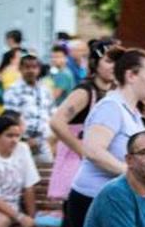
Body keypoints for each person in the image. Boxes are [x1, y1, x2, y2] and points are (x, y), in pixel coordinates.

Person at [56, 47, 145, 227]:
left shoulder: (132, 111)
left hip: (110, 201)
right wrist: (131, 174)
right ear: (131, 75)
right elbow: (93, 150)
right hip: (89, 200)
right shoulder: (111, 107)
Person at [47, 39, 118, 211]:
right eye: (109, 61)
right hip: (79, 171)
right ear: (95, 63)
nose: (114, 66)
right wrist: (82, 150)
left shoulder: (114, 92)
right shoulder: (85, 91)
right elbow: (57, 121)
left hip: (101, 170)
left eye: (118, 61)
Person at [2, 54, 54, 158]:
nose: (31, 70)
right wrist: (24, 139)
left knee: (48, 166)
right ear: (20, 69)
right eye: (27, 67)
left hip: (44, 142)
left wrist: (51, 138)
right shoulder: (13, 90)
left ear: (39, 69)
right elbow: (10, 119)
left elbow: (52, 114)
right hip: (20, 142)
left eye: (34, 67)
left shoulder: (45, 90)